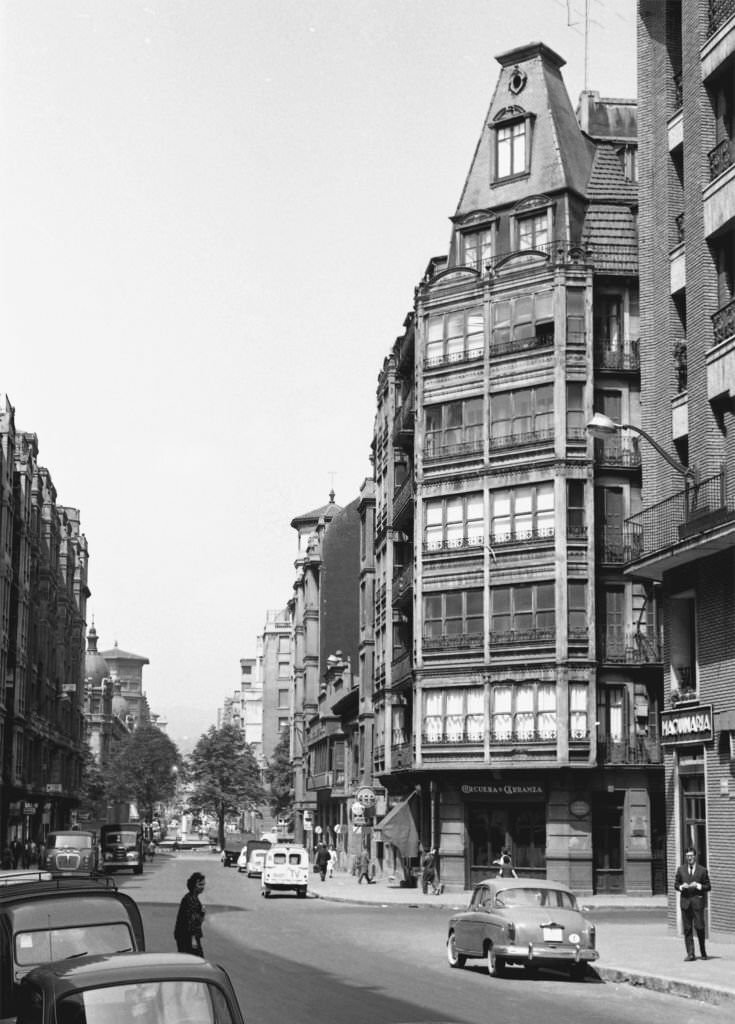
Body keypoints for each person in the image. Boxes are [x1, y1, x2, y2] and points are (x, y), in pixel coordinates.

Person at [674, 846, 711, 961]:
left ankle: (703, 951)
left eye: (691, 856)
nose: (689, 858)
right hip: (685, 903)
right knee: (687, 929)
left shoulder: (702, 870)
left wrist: (698, 886)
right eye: (687, 856)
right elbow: (676, 884)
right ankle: (691, 954)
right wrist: (681, 887)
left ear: (695, 856)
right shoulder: (681, 870)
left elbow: (708, 886)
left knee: (700, 927)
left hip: (697, 903)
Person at [173, 872, 206, 957]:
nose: (203, 887)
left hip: (186, 935)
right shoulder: (190, 900)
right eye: (200, 885)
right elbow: (191, 921)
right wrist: (193, 939)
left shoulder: (192, 898)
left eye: (203, 884)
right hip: (186, 937)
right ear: (194, 886)